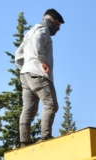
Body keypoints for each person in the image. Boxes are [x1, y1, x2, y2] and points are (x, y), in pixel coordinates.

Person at [15, 8, 65, 146]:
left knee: (28, 109)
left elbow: (18, 55)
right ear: (51, 21)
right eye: (57, 25)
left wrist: (24, 68)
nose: (58, 29)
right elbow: (38, 41)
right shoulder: (43, 30)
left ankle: (24, 141)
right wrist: (42, 61)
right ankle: (45, 137)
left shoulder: (30, 32)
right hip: (38, 73)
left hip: (26, 74)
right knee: (51, 105)